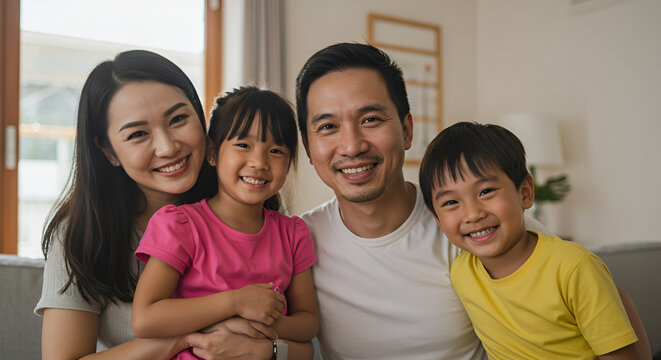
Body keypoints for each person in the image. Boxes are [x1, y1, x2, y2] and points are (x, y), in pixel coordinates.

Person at [294, 42, 650, 360]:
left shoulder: (472, 225)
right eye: (328, 127)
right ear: (309, 148)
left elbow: (608, 302)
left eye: (370, 119)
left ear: (406, 131)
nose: (352, 145)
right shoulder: (296, 241)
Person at [34, 50, 287, 360]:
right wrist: (186, 335)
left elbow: (295, 334)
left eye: (178, 119)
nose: (168, 148)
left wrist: (270, 350)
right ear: (108, 150)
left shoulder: (249, 202)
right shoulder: (80, 232)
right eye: (138, 134)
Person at [419, 122, 640, 359]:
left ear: (525, 192)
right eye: (451, 202)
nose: (473, 214)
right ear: (438, 220)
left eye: (485, 191)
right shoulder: (461, 273)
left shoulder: (573, 267)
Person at [131, 87, 319, 360]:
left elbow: (308, 323)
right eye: (244, 145)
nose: (259, 162)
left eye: (276, 150)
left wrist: (262, 322)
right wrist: (237, 303)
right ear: (212, 152)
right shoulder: (180, 226)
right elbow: (145, 319)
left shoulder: (293, 233)